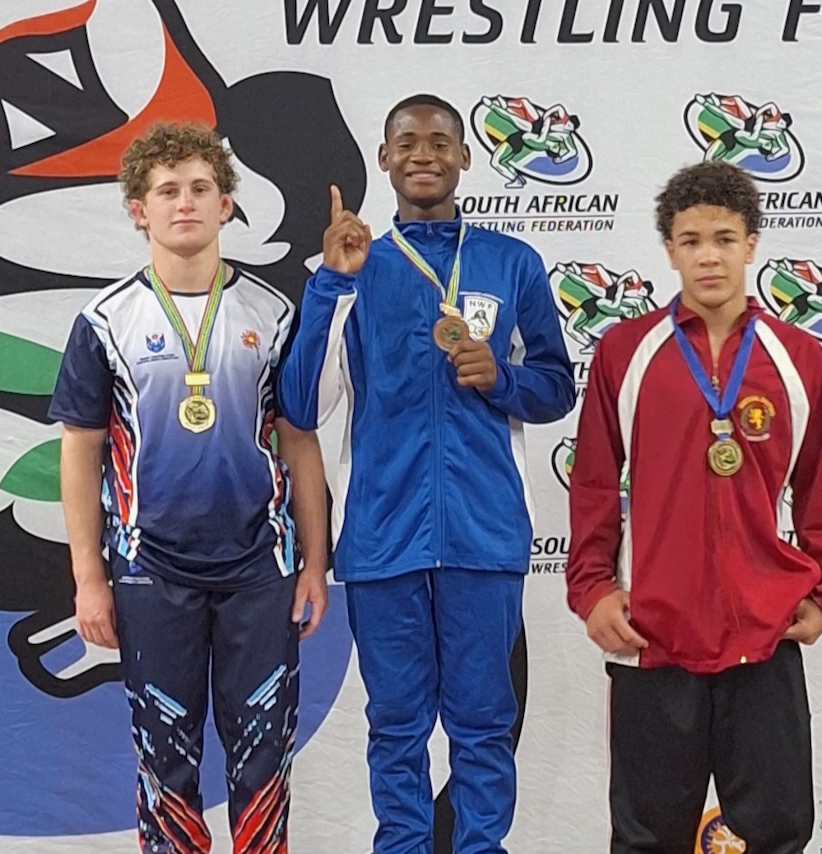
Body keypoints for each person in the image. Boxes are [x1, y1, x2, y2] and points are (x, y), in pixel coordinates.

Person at [278, 94, 575, 854]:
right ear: (384, 159)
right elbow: (301, 405)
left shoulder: (512, 263)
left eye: (440, 142)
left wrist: (502, 380)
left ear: (465, 158)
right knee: (397, 727)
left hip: (484, 535)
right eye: (406, 141)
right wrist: (332, 283)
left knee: (484, 726)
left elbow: (556, 387)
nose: (423, 154)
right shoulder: (354, 266)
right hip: (383, 539)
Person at [565, 160, 822, 854]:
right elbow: (594, 485)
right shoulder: (625, 352)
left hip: (764, 635)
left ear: (752, 244)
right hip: (652, 636)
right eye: (691, 240)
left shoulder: (797, 357)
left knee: (778, 834)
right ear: (669, 250)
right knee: (646, 839)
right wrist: (593, 589)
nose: (708, 256)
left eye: (724, 239)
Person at [49, 122, 329, 852]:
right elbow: (79, 452)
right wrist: (89, 579)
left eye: (201, 188)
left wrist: (315, 564)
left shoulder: (273, 314)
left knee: (263, 760)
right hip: (151, 569)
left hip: (260, 569)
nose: (185, 203)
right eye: (167, 190)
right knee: (165, 763)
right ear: (138, 209)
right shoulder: (105, 321)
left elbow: (300, 442)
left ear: (226, 204)